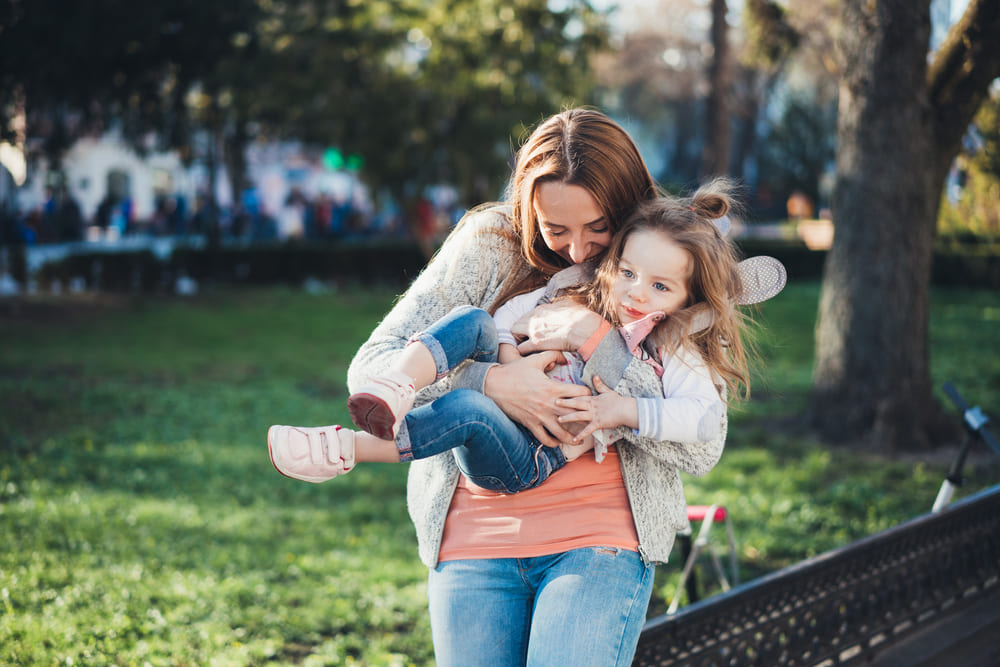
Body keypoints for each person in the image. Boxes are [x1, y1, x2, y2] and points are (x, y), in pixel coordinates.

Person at [270, 108, 731, 666]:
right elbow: (373, 365)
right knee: (469, 344)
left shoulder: (660, 263)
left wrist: (593, 338)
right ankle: (353, 446)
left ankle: (356, 449)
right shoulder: (490, 245)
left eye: (598, 228)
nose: (578, 251)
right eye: (555, 229)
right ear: (526, 206)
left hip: (599, 541)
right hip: (474, 537)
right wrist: (492, 380)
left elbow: (703, 443)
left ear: (628, 206)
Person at [269, 182, 783, 496]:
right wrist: (509, 362)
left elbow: (702, 419)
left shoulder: (672, 345)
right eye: (626, 272)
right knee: (471, 318)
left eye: (660, 286)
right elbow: (506, 318)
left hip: (529, 456)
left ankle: (346, 449)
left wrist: (623, 411)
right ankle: (396, 388)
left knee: (468, 412)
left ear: (687, 298)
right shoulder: (581, 292)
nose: (635, 293)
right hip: (508, 386)